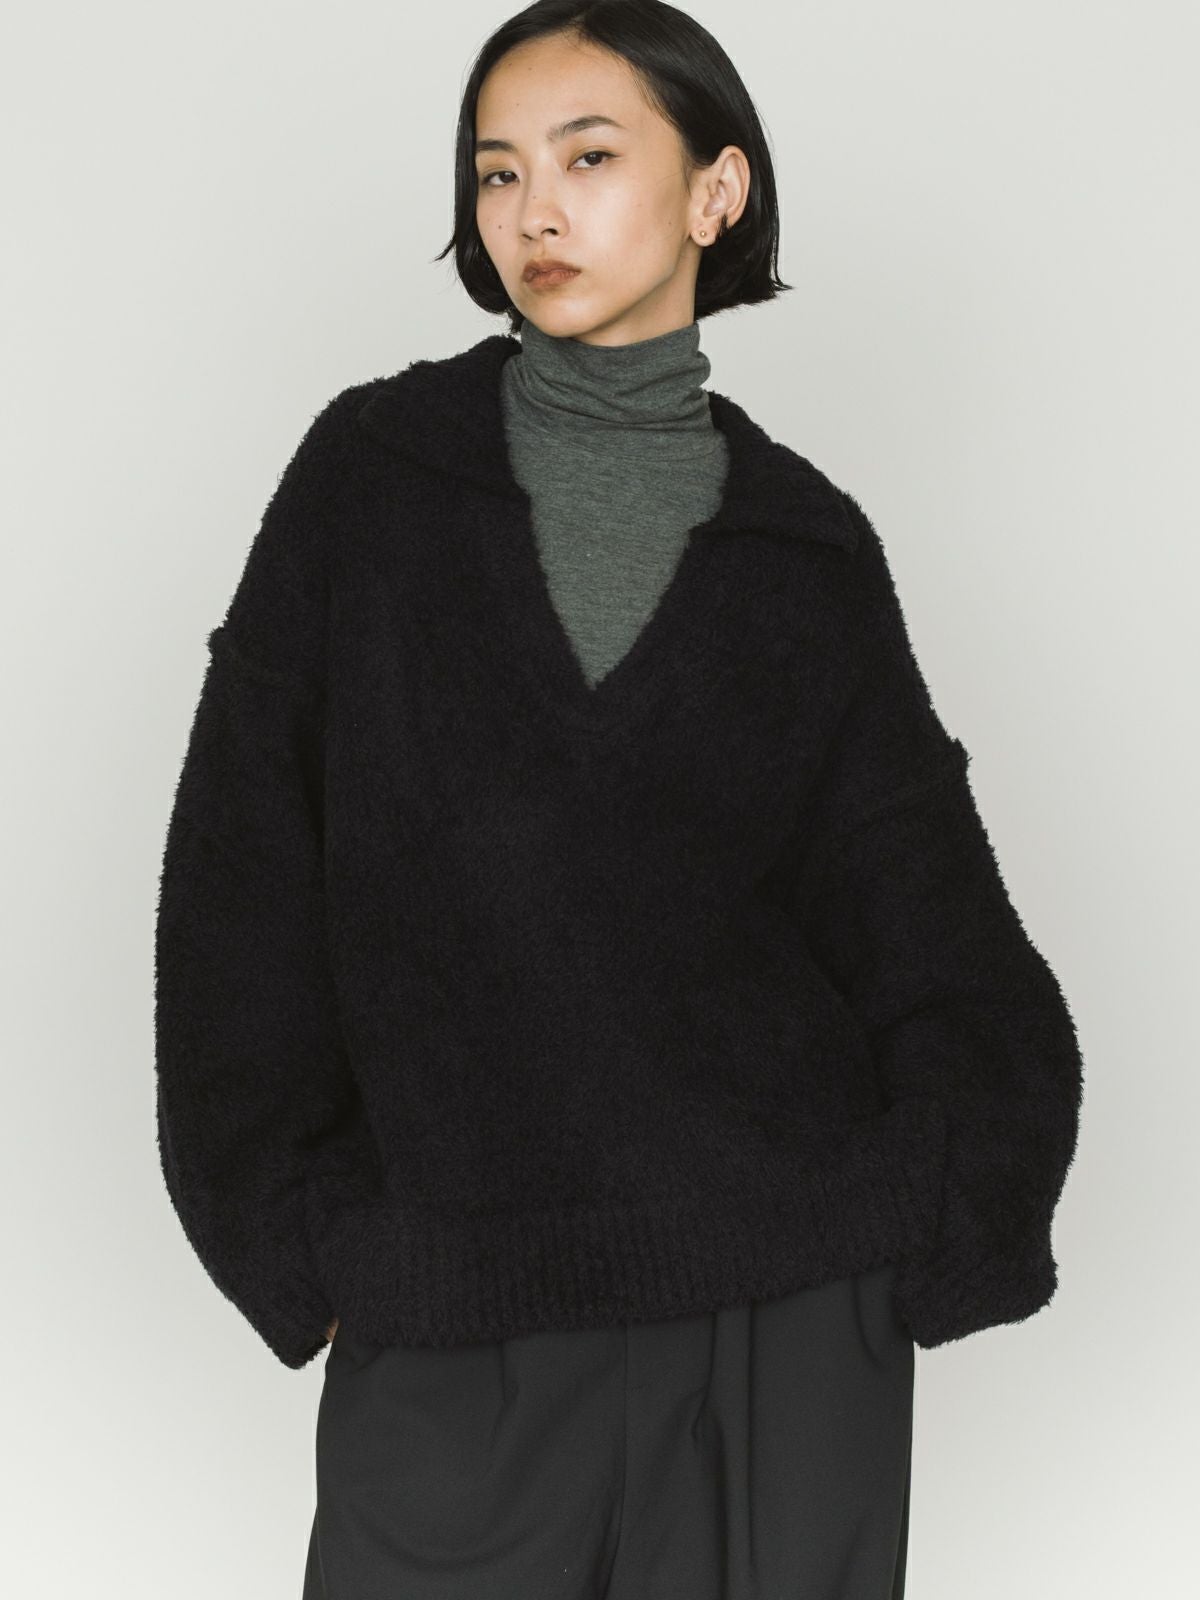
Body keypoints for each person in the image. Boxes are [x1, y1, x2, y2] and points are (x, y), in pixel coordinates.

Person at [152, 3, 1085, 1597]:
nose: (534, 211)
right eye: (497, 171)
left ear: (717, 190)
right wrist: (294, 1240)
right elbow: (240, 873)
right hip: (455, 1311)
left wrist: (944, 1217)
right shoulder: (371, 483)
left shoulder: (804, 552)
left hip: (784, 1323)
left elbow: (928, 919)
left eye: (589, 158)